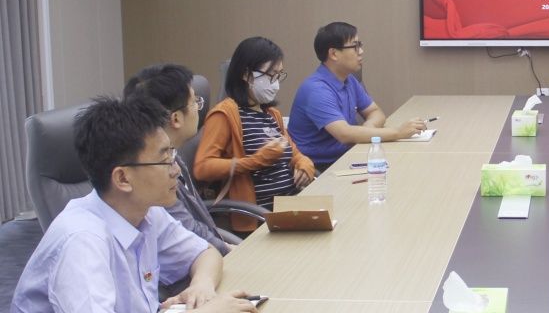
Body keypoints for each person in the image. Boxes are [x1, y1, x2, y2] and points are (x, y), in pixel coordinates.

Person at [6, 96, 259, 313]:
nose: (175, 170)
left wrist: (201, 287)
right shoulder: (81, 238)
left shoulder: (146, 213)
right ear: (123, 178)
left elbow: (206, 253)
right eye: (164, 160)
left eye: (173, 155)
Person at [194, 37, 315, 232]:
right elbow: (202, 168)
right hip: (259, 217)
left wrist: (304, 164)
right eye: (271, 76)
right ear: (246, 75)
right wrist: (255, 161)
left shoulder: (271, 114)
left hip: (291, 207)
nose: (275, 84)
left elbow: (295, 154)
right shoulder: (225, 114)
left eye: (279, 76)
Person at [123, 63, 231, 255]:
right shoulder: (152, 174)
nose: (199, 108)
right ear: (176, 119)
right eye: (195, 102)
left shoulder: (174, 157)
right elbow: (191, 233)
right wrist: (232, 252)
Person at [288, 21, 426, 170]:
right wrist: (398, 133)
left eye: (360, 45)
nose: (361, 51)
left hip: (346, 156)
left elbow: (376, 112)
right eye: (355, 47)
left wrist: (368, 129)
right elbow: (344, 134)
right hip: (317, 168)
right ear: (333, 54)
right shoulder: (316, 90)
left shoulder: (349, 80)